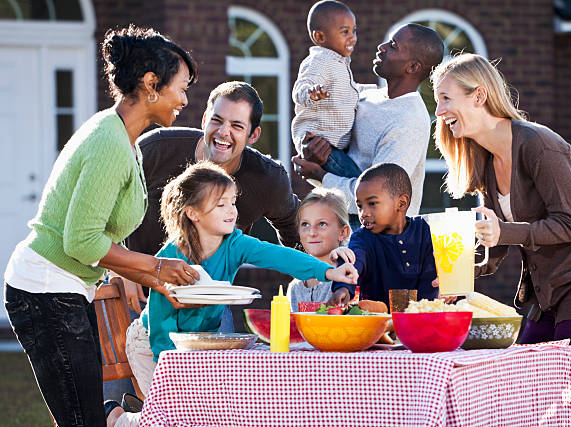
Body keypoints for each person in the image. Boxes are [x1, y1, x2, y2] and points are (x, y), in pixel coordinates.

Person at [3, 25, 200, 427]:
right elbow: (82, 240)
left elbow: (100, 241)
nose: (184, 98)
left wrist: (156, 280)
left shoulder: (123, 139)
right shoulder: (109, 142)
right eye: (180, 87)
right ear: (150, 84)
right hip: (45, 290)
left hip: (62, 289)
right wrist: (156, 267)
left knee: (85, 416)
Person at [431, 53, 571, 427]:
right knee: (525, 405)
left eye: (446, 98)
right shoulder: (483, 157)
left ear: (479, 96)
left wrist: (504, 231)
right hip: (544, 295)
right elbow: (496, 239)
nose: (439, 110)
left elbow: (568, 226)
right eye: (438, 101)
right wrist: (461, 274)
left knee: (566, 409)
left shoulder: (540, 145)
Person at [107, 161, 358, 426]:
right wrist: (167, 366)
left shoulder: (235, 244)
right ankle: (117, 418)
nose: (231, 211)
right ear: (193, 213)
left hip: (198, 344)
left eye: (232, 202)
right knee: (168, 419)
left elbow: (278, 256)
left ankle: (133, 413)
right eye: (220, 205)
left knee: (196, 417)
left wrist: (328, 272)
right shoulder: (172, 256)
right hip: (153, 344)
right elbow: (161, 317)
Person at [123, 81, 301, 319]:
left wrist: (327, 270)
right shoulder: (155, 149)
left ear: (253, 134)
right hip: (138, 294)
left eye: (237, 126)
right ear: (205, 119)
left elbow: (297, 232)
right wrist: (121, 270)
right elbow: (105, 206)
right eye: (217, 120)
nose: (223, 132)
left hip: (209, 302)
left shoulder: (267, 178)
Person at [293, 23, 444, 228]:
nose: (381, 47)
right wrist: (311, 151)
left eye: (392, 46)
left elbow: (380, 196)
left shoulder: (410, 120)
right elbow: (336, 153)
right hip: (341, 220)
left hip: (379, 239)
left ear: (413, 67)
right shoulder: (365, 96)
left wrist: (319, 175)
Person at [328, 163, 438, 308]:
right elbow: (353, 262)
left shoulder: (425, 232)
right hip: (378, 323)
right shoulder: (362, 238)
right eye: (360, 206)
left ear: (401, 203)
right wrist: (343, 288)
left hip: (425, 319)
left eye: (372, 203)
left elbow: (436, 275)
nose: (363, 213)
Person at [291, 0, 363, 179]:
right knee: (356, 180)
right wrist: (311, 93)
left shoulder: (339, 62)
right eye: (345, 32)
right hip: (320, 144)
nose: (352, 37)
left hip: (335, 143)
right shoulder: (320, 61)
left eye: (354, 31)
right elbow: (301, 86)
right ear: (320, 37)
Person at [287, 188, 353, 311]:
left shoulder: (350, 277)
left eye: (322, 224)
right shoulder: (295, 287)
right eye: (305, 224)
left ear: (343, 232)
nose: (311, 233)